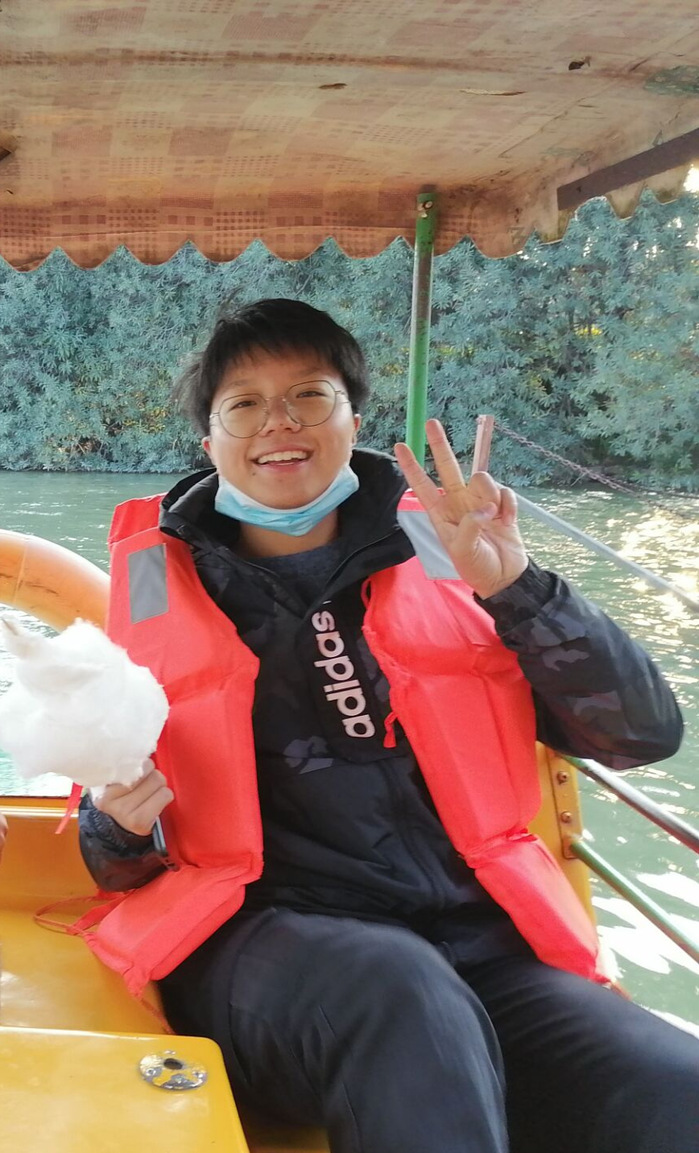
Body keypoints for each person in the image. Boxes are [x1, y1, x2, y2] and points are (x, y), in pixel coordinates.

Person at [79, 299, 698, 1153]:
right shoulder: (157, 591)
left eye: (309, 394)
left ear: (353, 419)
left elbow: (640, 736)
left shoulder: (450, 551)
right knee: (398, 989)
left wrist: (516, 585)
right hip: (264, 950)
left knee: (672, 1089)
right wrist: (113, 822)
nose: (279, 422)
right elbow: (112, 861)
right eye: (244, 404)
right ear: (208, 441)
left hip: (479, 949)